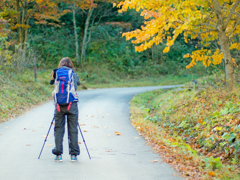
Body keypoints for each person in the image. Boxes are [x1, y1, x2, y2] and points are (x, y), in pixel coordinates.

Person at [50, 57, 81, 162]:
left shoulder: (56, 73)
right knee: (73, 129)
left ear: (61, 64)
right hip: (72, 105)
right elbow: (77, 85)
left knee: (58, 129)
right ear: (70, 65)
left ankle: (58, 155)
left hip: (59, 105)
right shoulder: (73, 74)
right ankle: (73, 155)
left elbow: (52, 83)